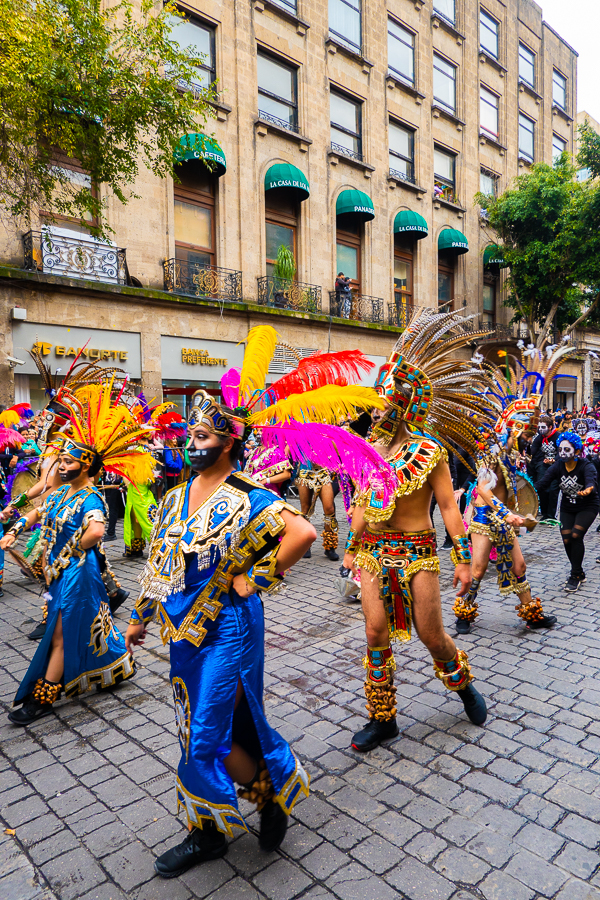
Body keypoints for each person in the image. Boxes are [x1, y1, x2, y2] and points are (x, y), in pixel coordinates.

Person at [126, 390, 315, 877]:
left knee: (205, 734)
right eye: (192, 434)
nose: (193, 443)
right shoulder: (175, 496)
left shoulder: (250, 494)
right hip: (184, 632)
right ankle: (267, 796)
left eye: (204, 436)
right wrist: (139, 617)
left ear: (230, 442)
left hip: (230, 627)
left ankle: (208, 834)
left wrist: (256, 577)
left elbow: (303, 533)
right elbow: (162, 566)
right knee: (204, 727)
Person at [343, 311, 495, 752]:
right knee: (375, 632)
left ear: (405, 404)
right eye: (376, 401)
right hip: (374, 550)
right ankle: (382, 718)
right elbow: (360, 504)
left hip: (417, 550)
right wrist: (352, 548)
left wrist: (463, 560)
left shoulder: (430, 451)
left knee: (431, 634)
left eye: (384, 402)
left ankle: (463, 683)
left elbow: (449, 506)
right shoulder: (368, 450)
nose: (376, 410)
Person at [1, 386, 153, 725]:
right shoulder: (60, 494)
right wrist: (16, 527)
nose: (61, 466)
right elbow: (38, 513)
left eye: (68, 462)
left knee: (61, 634)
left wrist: (73, 552)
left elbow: (98, 530)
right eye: (62, 461)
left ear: (85, 466)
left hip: (77, 575)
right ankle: (115, 666)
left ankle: (43, 697)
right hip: (57, 574)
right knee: (79, 628)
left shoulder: (90, 498)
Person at [453, 342, 575, 634]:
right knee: (479, 571)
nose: (530, 426)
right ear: (511, 424)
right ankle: (464, 613)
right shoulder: (491, 450)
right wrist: (505, 514)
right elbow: (483, 489)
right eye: (524, 422)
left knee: (518, 568)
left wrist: (515, 514)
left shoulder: (510, 450)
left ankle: (532, 614)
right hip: (485, 518)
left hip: (504, 519)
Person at [537, 431, 599, 591]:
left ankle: (575, 575)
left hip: (588, 506)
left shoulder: (586, 465)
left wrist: (588, 489)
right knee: (566, 539)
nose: (563, 453)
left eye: (567, 450)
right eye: (560, 450)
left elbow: (591, 481)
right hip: (567, 507)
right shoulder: (557, 466)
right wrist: (523, 489)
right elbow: (543, 483)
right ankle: (579, 572)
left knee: (576, 535)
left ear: (577, 451)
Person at [529, 416, 560, 523]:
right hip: (544, 464)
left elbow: (562, 452)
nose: (540, 429)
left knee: (553, 489)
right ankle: (545, 513)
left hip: (556, 466)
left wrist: (554, 460)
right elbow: (533, 450)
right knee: (542, 487)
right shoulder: (540, 437)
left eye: (543, 427)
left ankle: (551, 515)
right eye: (539, 427)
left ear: (550, 427)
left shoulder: (558, 436)